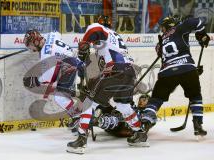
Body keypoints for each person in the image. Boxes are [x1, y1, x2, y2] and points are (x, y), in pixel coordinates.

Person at [127, 16, 210, 146]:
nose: (162, 29)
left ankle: (144, 127)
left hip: (167, 72)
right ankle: (198, 124)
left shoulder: (160, 42)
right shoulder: (181, 27)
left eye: (163, 27)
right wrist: (202, 34)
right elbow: (201, 21)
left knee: (155, 100)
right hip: (188, 69)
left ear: (167, 26)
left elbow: (162, 55)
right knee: (195, 96)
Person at [67, 15, 138, 154]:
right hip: (130, 73)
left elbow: (95, 28)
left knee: (88, 102)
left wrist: (84, 42)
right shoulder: (115, 37)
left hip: (116, 71)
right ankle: (140, 134)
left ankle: (81, 140)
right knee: (123, 105)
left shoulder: (101, 31)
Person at [23, 30, 84, 120]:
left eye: (31, 46)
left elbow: (49, 78)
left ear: (36, 42)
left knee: (60, 98)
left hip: (72, 68)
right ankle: (80, 114)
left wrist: (34, 80)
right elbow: (58, 33)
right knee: (67, 95)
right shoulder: (51, 35)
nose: (31, 50)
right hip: (78, 63)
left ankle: (78, 118)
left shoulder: (46, 55)